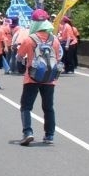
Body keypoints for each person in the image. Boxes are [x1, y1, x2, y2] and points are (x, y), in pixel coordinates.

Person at [16, 10, 63, 146]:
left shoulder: (29, 39)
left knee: (26, 106)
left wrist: (24, 60)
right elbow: (59, 57)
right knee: (48, 107)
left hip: (32, 78)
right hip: (50, 78)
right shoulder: (54, 40)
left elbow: (19, 56)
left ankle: (28, 132)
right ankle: (49, 135)